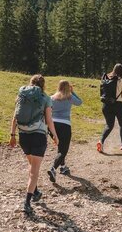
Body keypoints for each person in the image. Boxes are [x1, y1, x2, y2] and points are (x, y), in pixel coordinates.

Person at [9, 74, 58, 214]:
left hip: (23, 135)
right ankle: (27, 202)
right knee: (34, 171)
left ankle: (35, 191)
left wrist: (12, 135)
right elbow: (49, 120)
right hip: (38, 136)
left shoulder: (21, 96)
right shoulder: (45, 98)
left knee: (31, 165)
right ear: (43, 85)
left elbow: (15, 117)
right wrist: (54, 135)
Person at [47, 80, 82, 183]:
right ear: (68, 88)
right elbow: (80, 102)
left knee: (60, 146)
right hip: (64, 125)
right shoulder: (69, 97)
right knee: (64, 150)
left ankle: (63, 167)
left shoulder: (52, 98)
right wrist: (72, 92)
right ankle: (53, 168)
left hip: (52, 125)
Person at [96, 63, 122, 153]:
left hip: (106, 105)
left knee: (109, 125)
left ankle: (101, 141)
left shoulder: (105, 77)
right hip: (119, 106)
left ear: (113, 69)